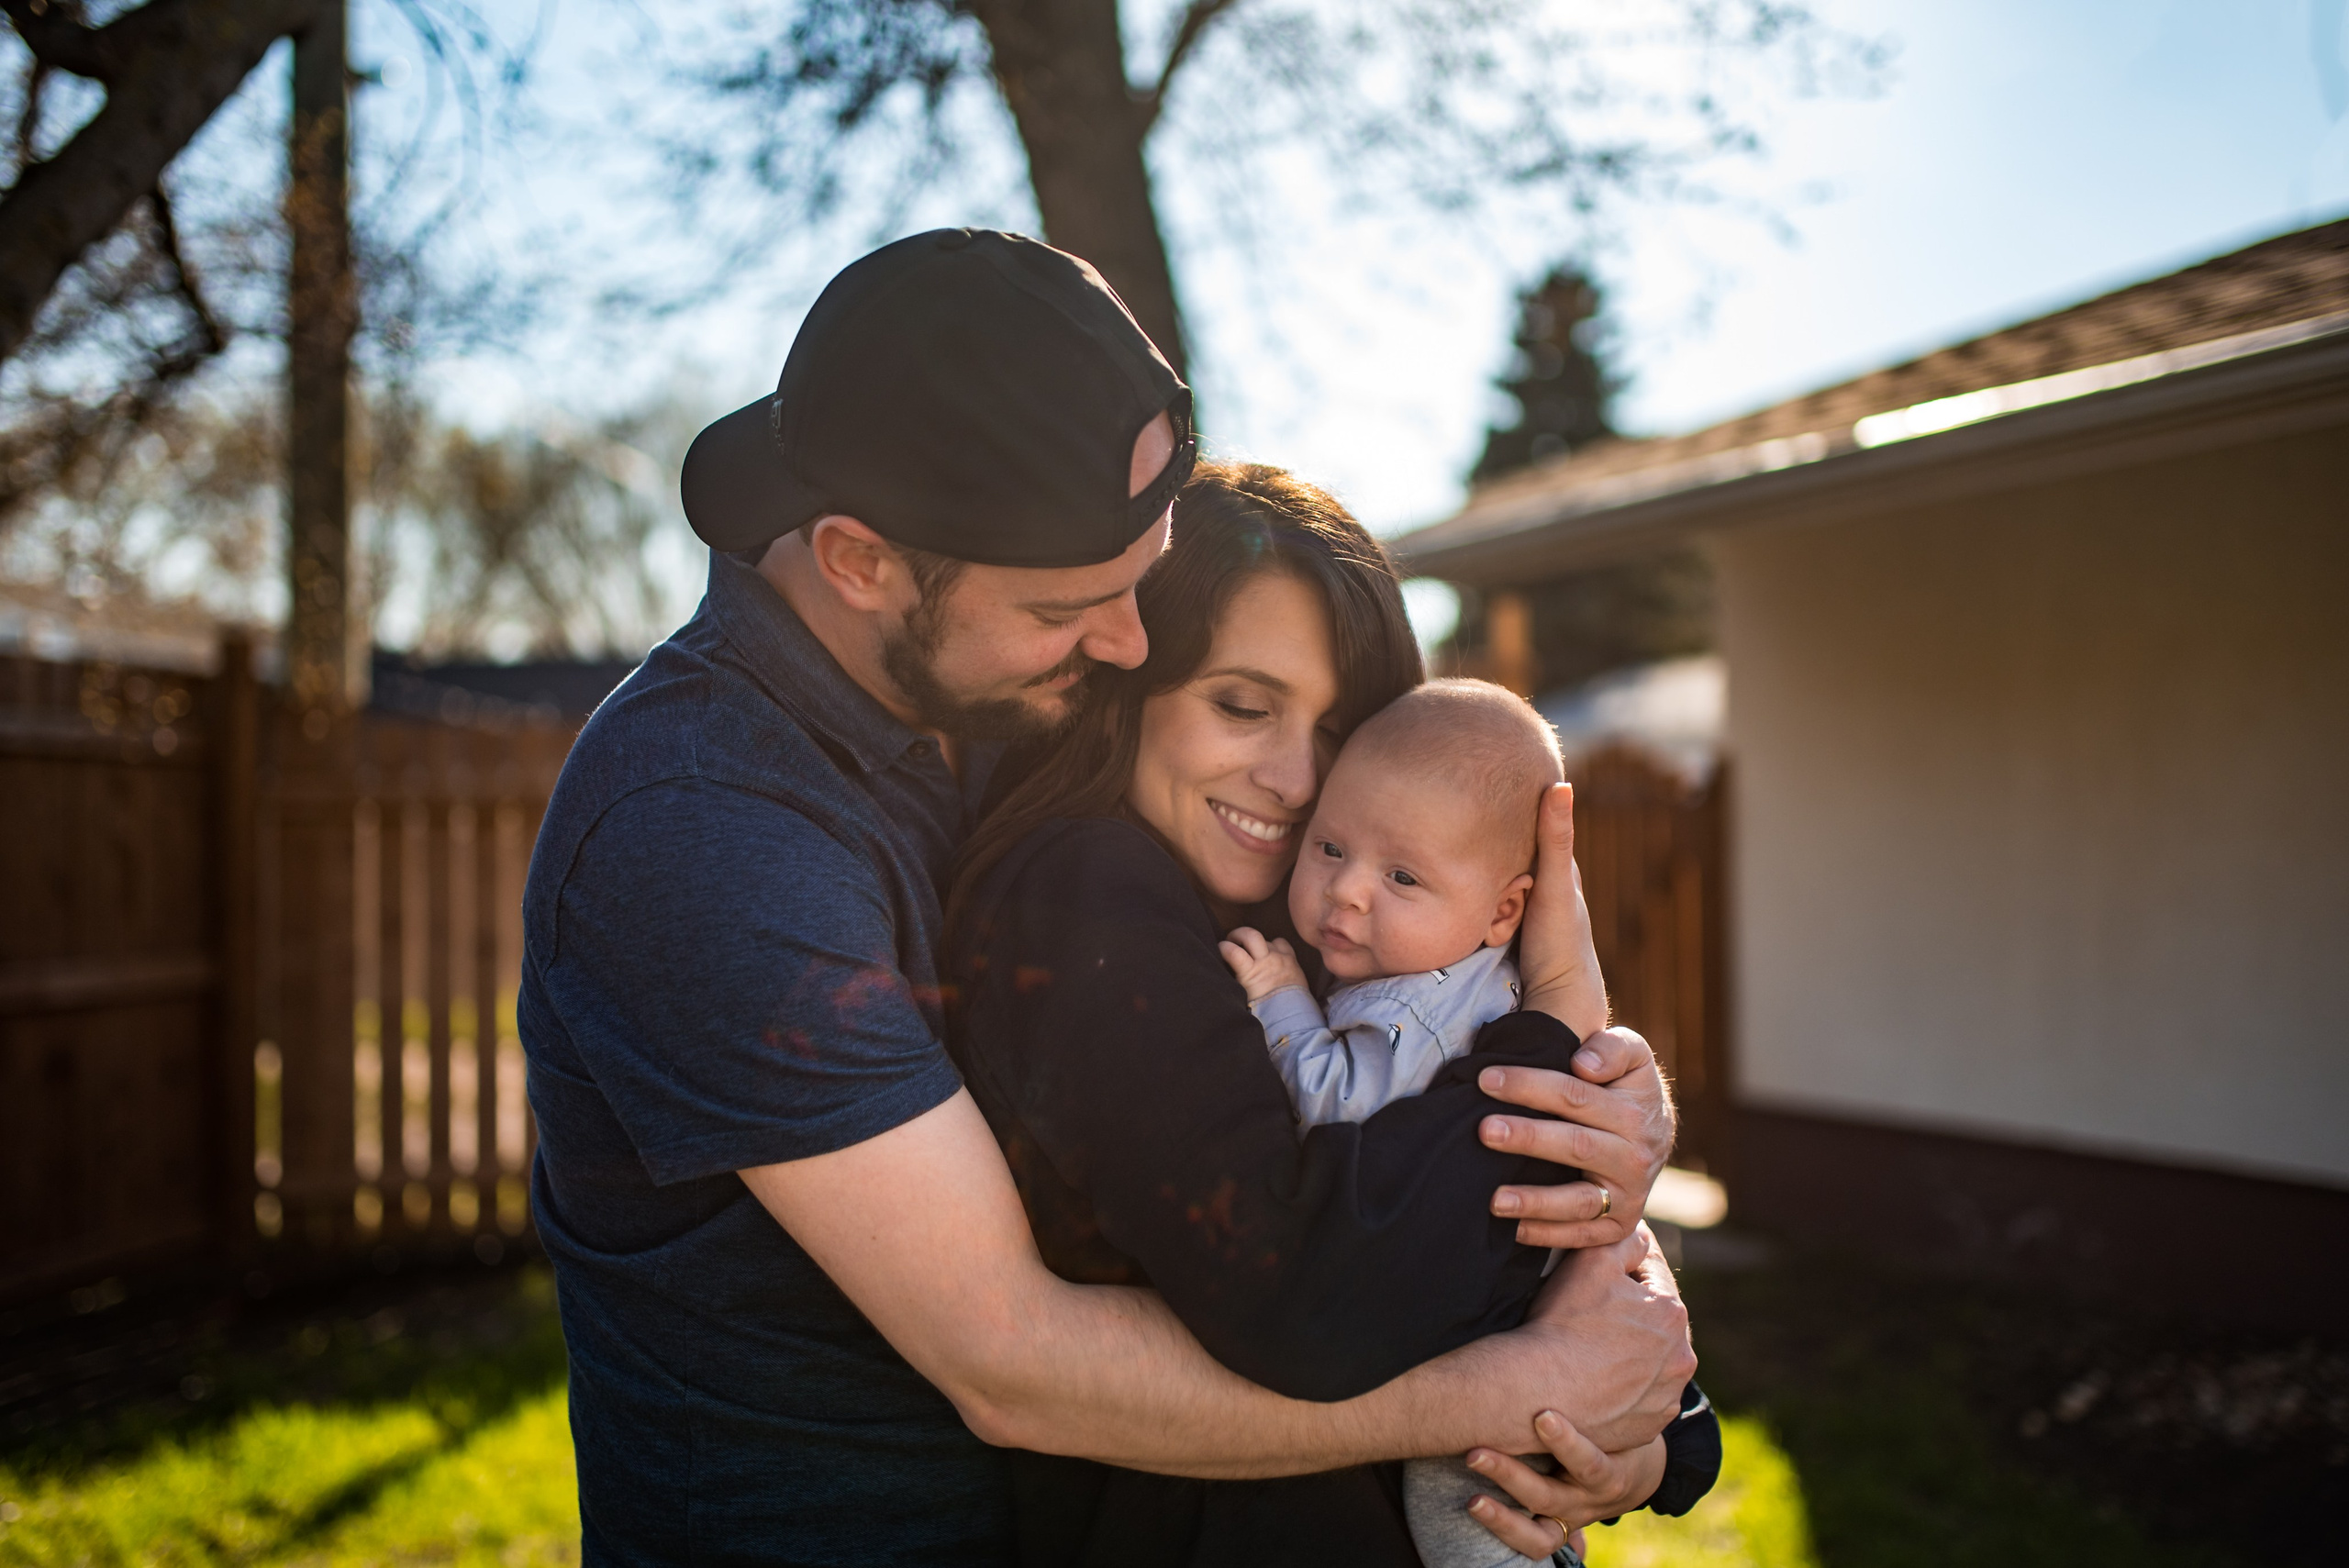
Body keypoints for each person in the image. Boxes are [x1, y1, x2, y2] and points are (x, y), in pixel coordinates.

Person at [520, 228, 1693, 1566]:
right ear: (860, 561)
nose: (1134, 645)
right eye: (1078, 603)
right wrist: (1525, 1387)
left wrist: (1601, 1144)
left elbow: (1363, 1114)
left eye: (1143, 581)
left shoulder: (1020, 700)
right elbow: (1012, 1357)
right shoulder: (705, 829)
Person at [945, 464, 1708, 1566]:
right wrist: (1551, 1021)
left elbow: (1526, 1250)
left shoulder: (1306, 923)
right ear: (1126, 680)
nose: (1299, 778)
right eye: (1241, 705)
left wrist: (1650, 1434)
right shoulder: (1086, 891)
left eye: (1339, 730)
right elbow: (1299, 1287)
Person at [1217, 678, 1722, 1568]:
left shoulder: (1410, 1007)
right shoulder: (1482, 975)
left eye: (1402, 875)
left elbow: (1338, 1110)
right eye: (1330, 846)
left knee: (1463, 1507)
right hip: (1534, 1293)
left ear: (1502, 909)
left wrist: (1281, 1000)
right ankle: (1675, 1421)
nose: (1347, 892)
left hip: (1486, 1329)